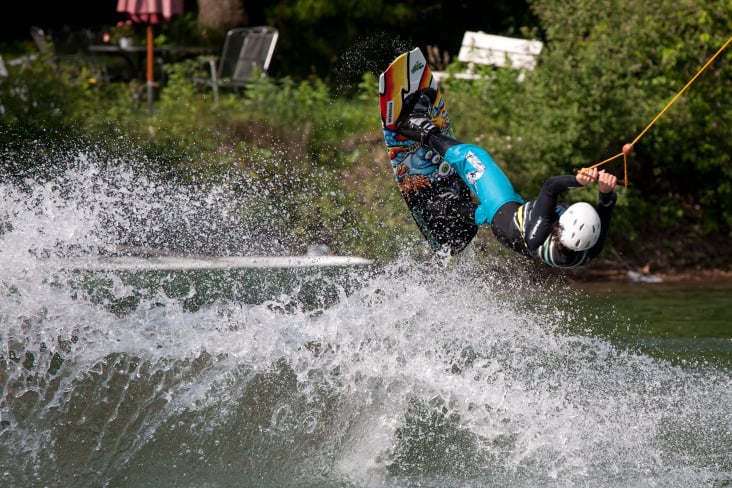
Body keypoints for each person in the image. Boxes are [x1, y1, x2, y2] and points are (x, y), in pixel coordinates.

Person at [394, 88, 618, 268]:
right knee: (488, 214)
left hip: (506, 211)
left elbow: (550, 187)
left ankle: (416, 125)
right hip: (509, 231)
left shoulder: (541, 228)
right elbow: (605, 213)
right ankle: (441, 208)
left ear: (560, 225)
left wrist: (578, 181)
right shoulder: (588, 249)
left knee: (474, 158)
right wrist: (605, 193)